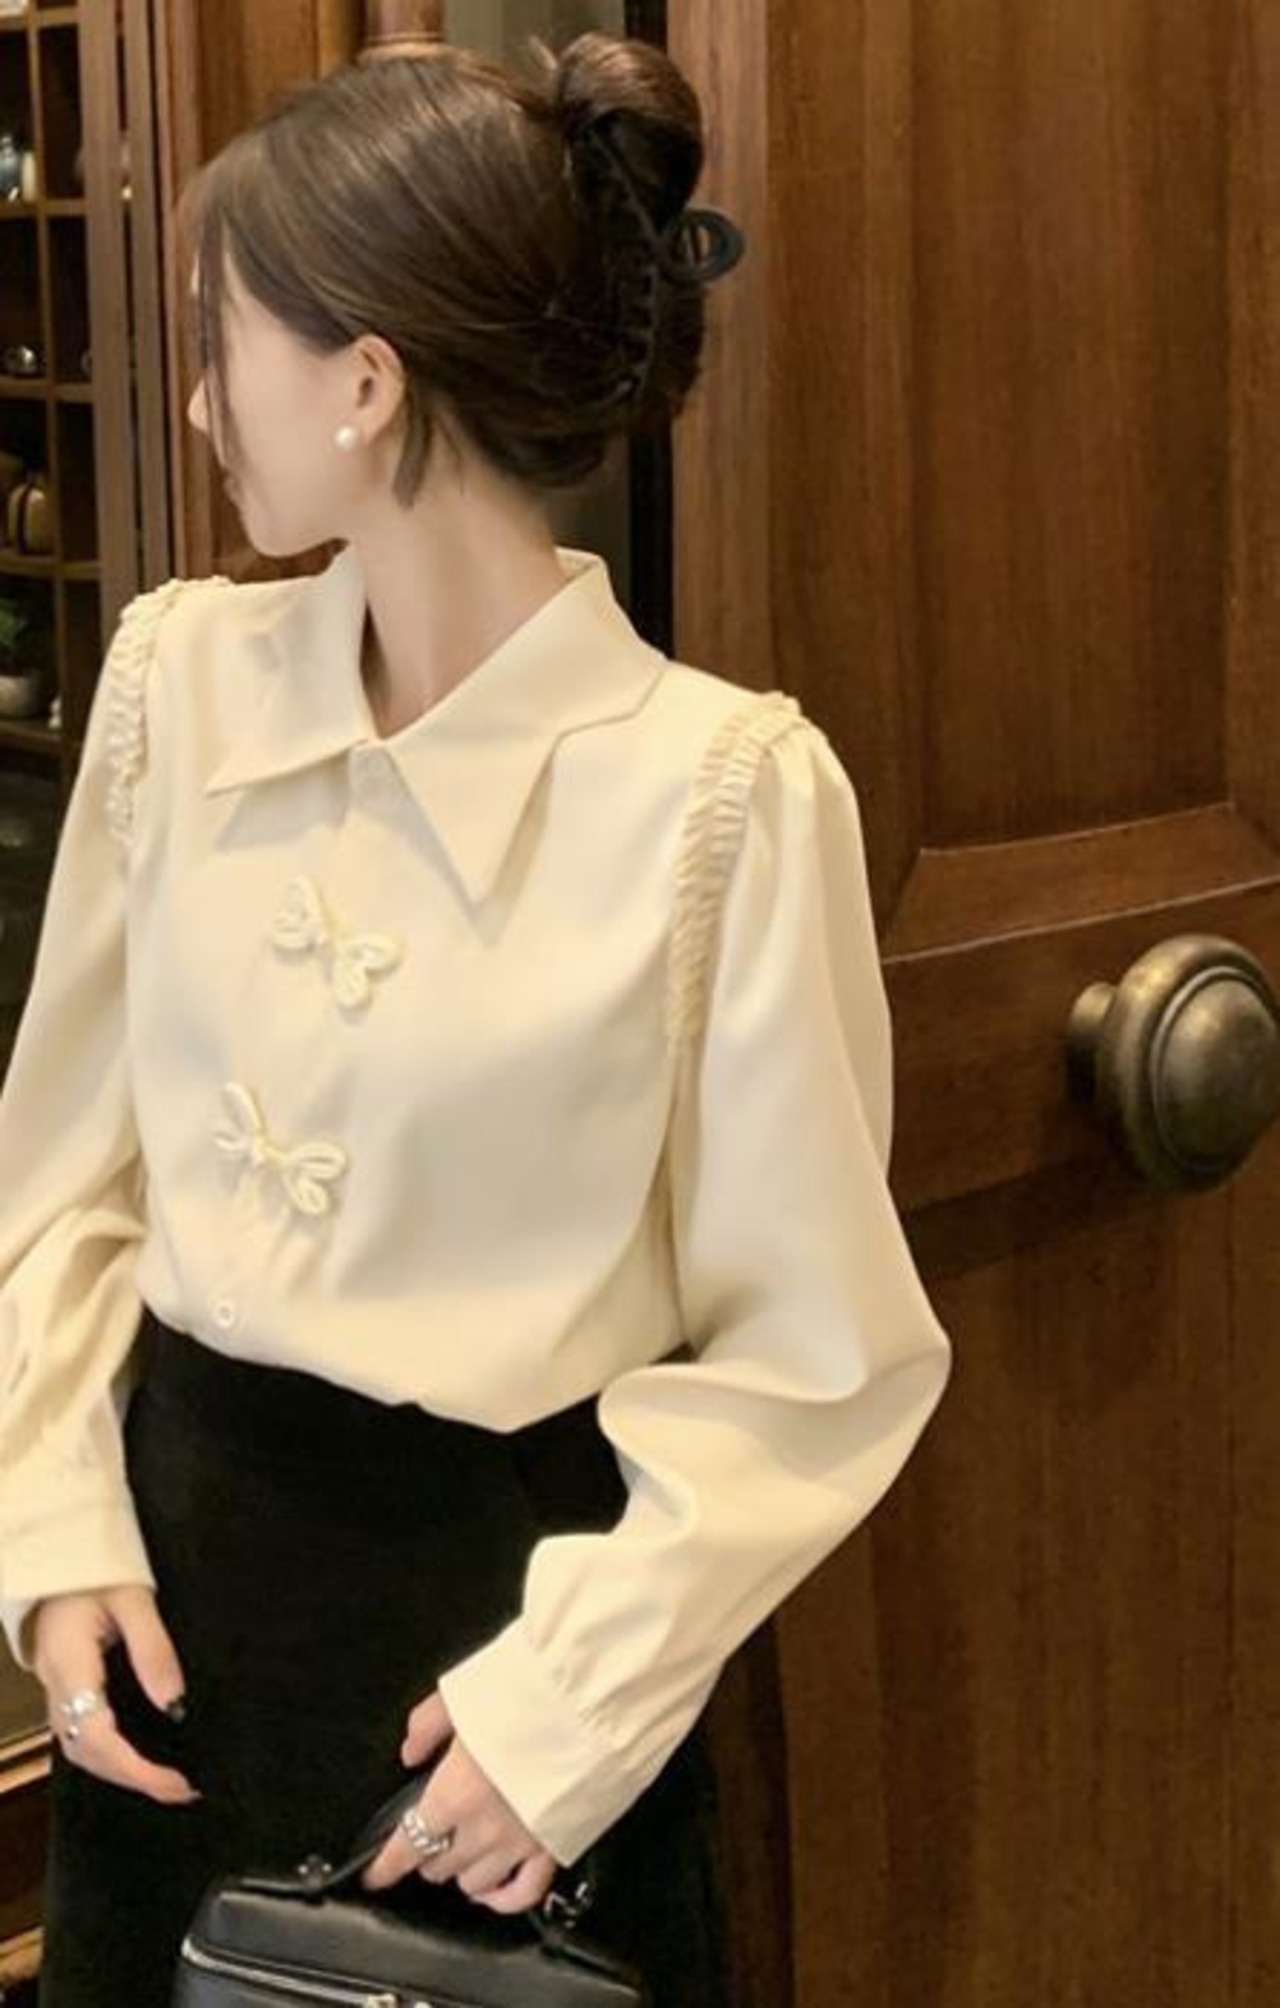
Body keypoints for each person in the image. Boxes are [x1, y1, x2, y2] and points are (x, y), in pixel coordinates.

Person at [0, 31, 951, 2008]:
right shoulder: (177, 685)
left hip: (499, 1685)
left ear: (364, 382)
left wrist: (572, 1706)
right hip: (159, 1639)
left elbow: (822, 1351)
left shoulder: (719, 797)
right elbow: (62, 1177)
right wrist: (55, 1520)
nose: (200, 398)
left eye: (223, 337)